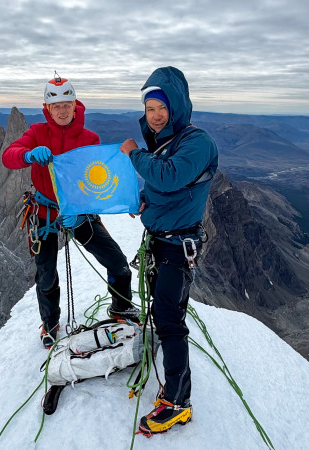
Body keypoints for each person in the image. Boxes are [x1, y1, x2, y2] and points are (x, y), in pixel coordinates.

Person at [2, 73, 139, 349]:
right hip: (45, 212)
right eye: (57, 106)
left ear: (75, 105)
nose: (62, 111)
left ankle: (121, 308)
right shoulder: (38, 133)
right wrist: (29, 155)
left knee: (116, 261)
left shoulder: (89, 138)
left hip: (79, 211)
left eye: (67, 104)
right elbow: (9, 156)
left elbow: (95, 178)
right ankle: (50, 323)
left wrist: (85, 206)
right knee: (46, 274)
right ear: (47, 109)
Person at [119, 67, 218, 435]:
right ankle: (172, 387)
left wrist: (133, 155)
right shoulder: (168, 143)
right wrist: (145, 200)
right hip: (162, 242)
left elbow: (170, 175)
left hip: (178, 247)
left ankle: (178, 402)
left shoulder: (198, 142)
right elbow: (165, 188)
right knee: (165, 315)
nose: (155, 115)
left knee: (170, 321)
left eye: (161, 107)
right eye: (149, 109)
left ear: (176, 107)